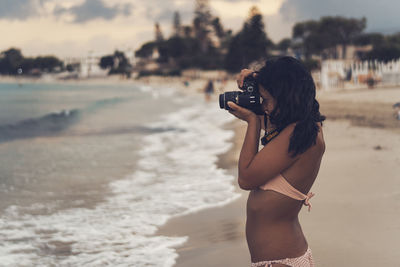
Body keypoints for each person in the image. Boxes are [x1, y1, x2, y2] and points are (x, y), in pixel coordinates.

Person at [227, 56, 325, 267]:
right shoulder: (302, 128)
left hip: (280, 261)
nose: (264, 107)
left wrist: (252, 121)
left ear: (286, 97)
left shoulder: (299, 134)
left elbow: (246, 177)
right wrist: (254, 82)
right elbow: (272, 122)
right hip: (283, 258)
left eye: (266, 99)